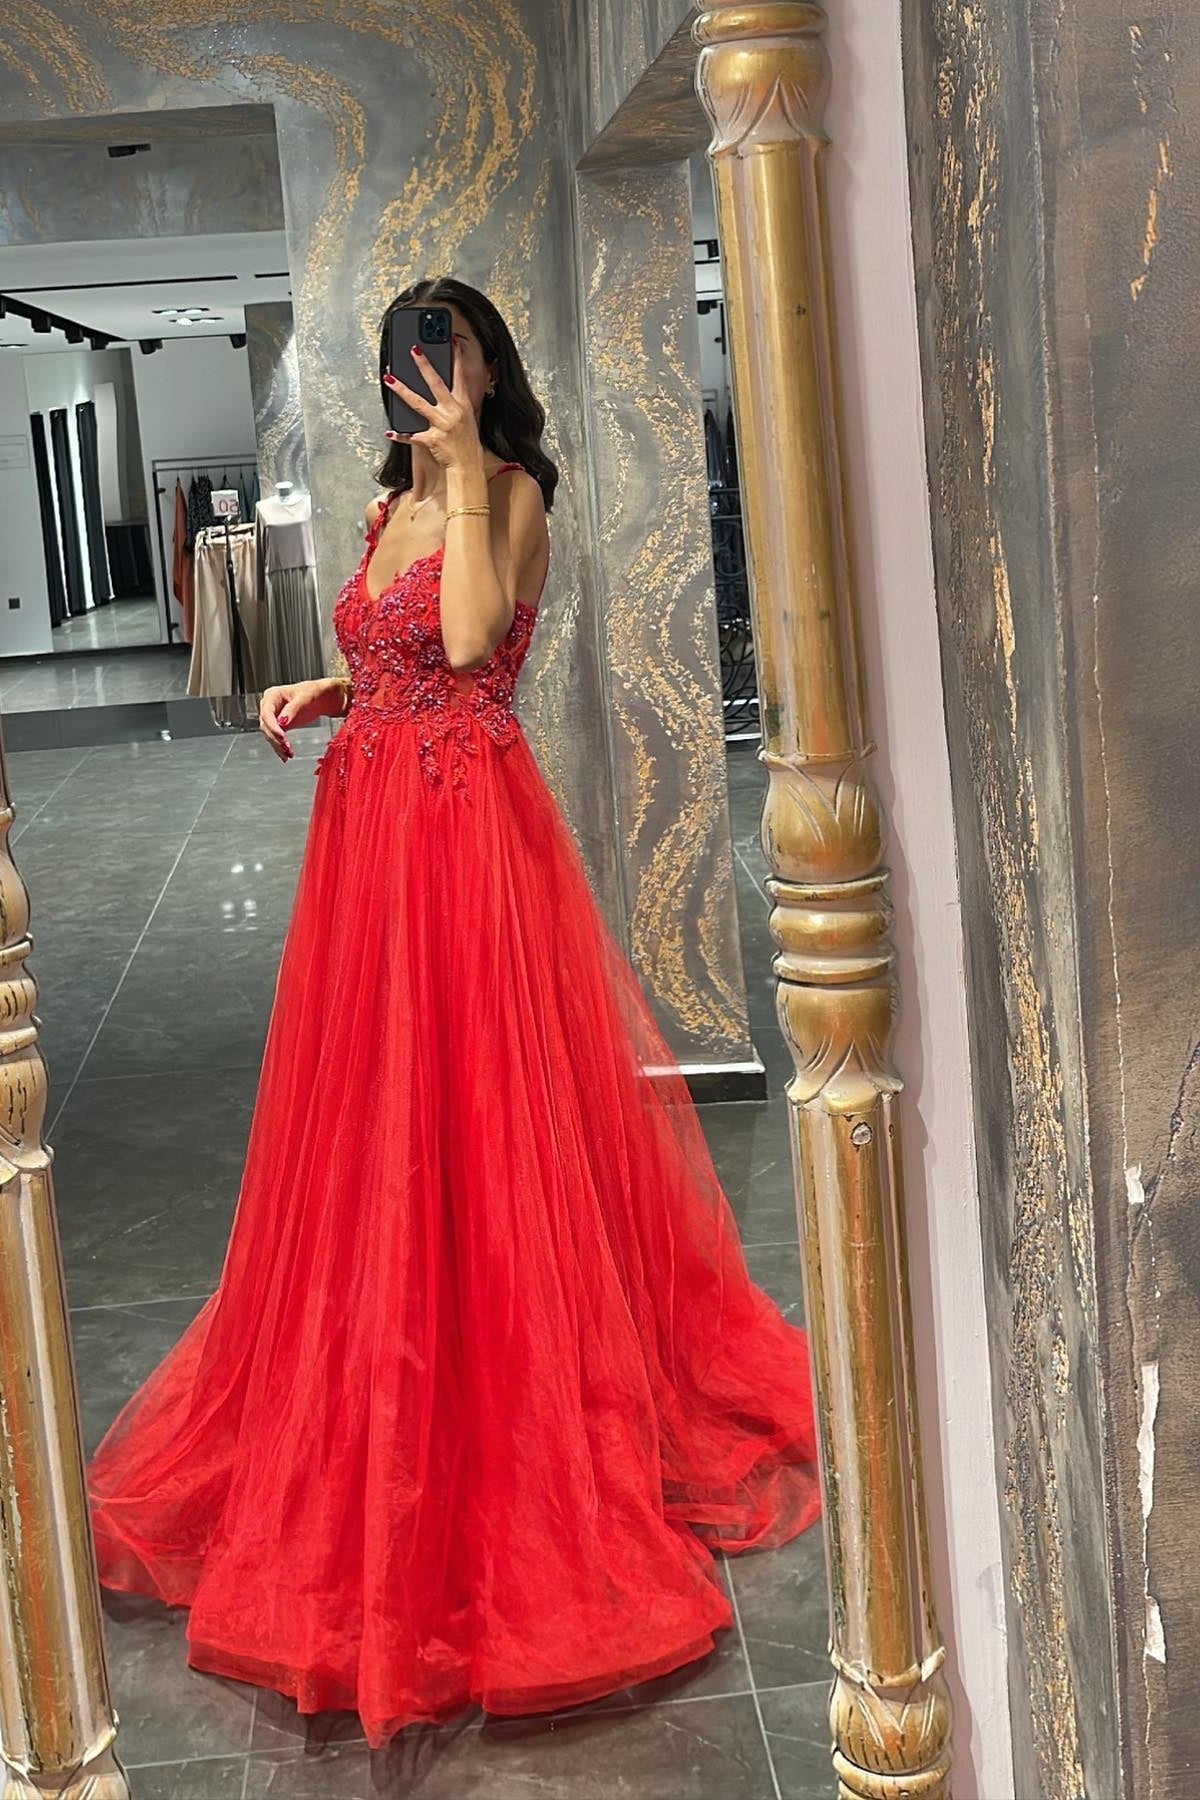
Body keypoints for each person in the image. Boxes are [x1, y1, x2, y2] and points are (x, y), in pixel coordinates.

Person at [85, 276, 821, 1749]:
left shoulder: (515, 494)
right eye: (408, 358)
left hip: (471, 845)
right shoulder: (382, 510)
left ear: (486, 369)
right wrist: (324, 687)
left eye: (452, 353)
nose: (426, 376)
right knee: (372, 1125)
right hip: (372, 838)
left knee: (485, 1117)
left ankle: (517, 1404)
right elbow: (396, 657)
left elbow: (476, 642)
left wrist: (471, 464)